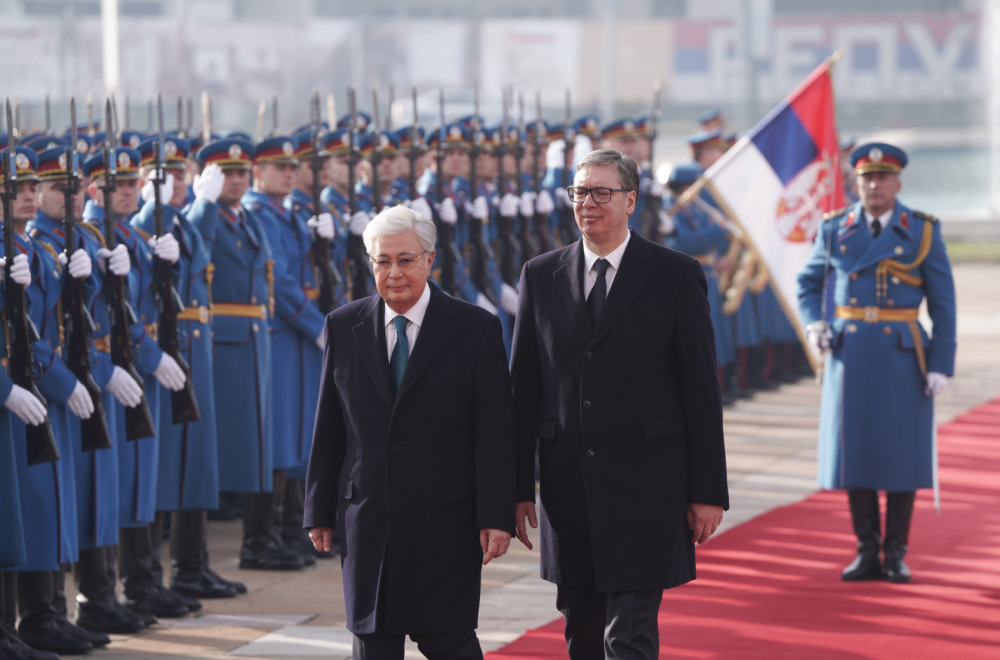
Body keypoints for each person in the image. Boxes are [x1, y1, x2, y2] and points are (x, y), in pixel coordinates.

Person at [510, 149, 729, 660]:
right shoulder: (540, 276)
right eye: (579, 192)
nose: (588, 203)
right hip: (568, 490)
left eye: (601, 192)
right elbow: (523, 393)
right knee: (583, 635)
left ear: (630, 201)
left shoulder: (675, 274)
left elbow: (701, 390)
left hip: (647, 488)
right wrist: (516, 488)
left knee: (627, 638)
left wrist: (707, 491)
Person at [304, 205, 515, 660]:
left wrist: (496, 514)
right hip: (368, 520)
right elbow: (330, 426)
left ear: (429, 259)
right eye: (382, 261)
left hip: (445, 523)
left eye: (405, 260)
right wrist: (318, 509)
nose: (394, 273)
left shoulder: (475, 328)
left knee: (449, 641)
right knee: (373, 642)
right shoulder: (343, 325)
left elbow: (495, 433)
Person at [797, 142, 956, 584]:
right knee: (857, 451)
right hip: (850, 353)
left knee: (903, 455)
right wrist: (814, 323)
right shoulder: (835, 228)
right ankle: (866, 550)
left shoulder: (921, 230)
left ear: (897, 183)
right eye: (867, 178)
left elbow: (943, 303)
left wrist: (941, 362)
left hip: (904, 354)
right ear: (857, 183)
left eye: (883, 178)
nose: (874, 186)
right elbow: (808, 283)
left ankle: (896, 553)